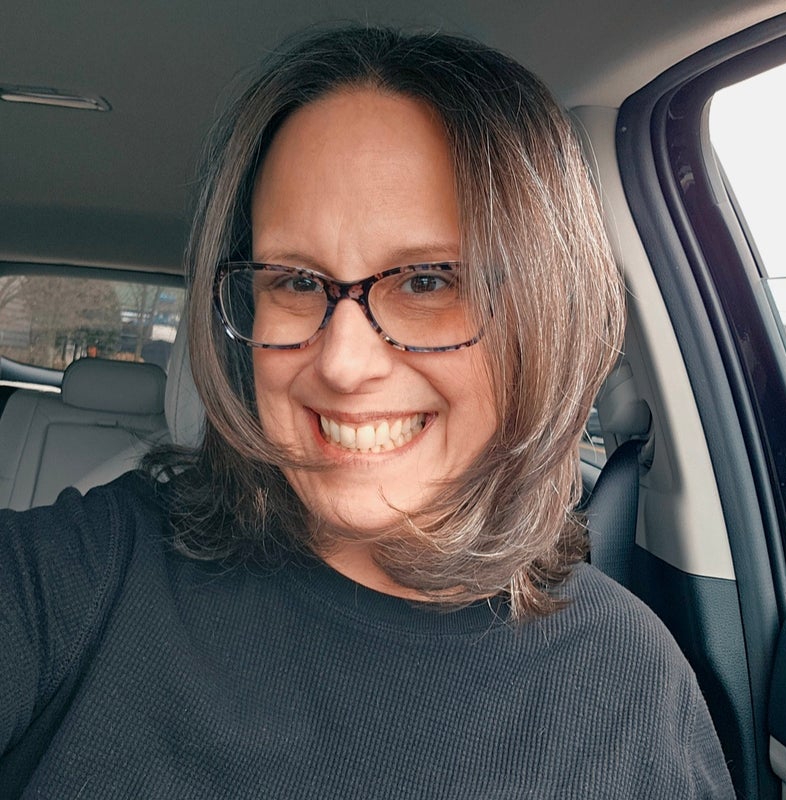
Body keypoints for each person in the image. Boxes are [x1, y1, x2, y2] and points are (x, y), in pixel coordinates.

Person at [0, 26, 734, 798]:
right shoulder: (91, 571)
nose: (343, 365)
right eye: (295, 280)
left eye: (427, 280)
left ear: (547, 313)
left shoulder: (630, 692)